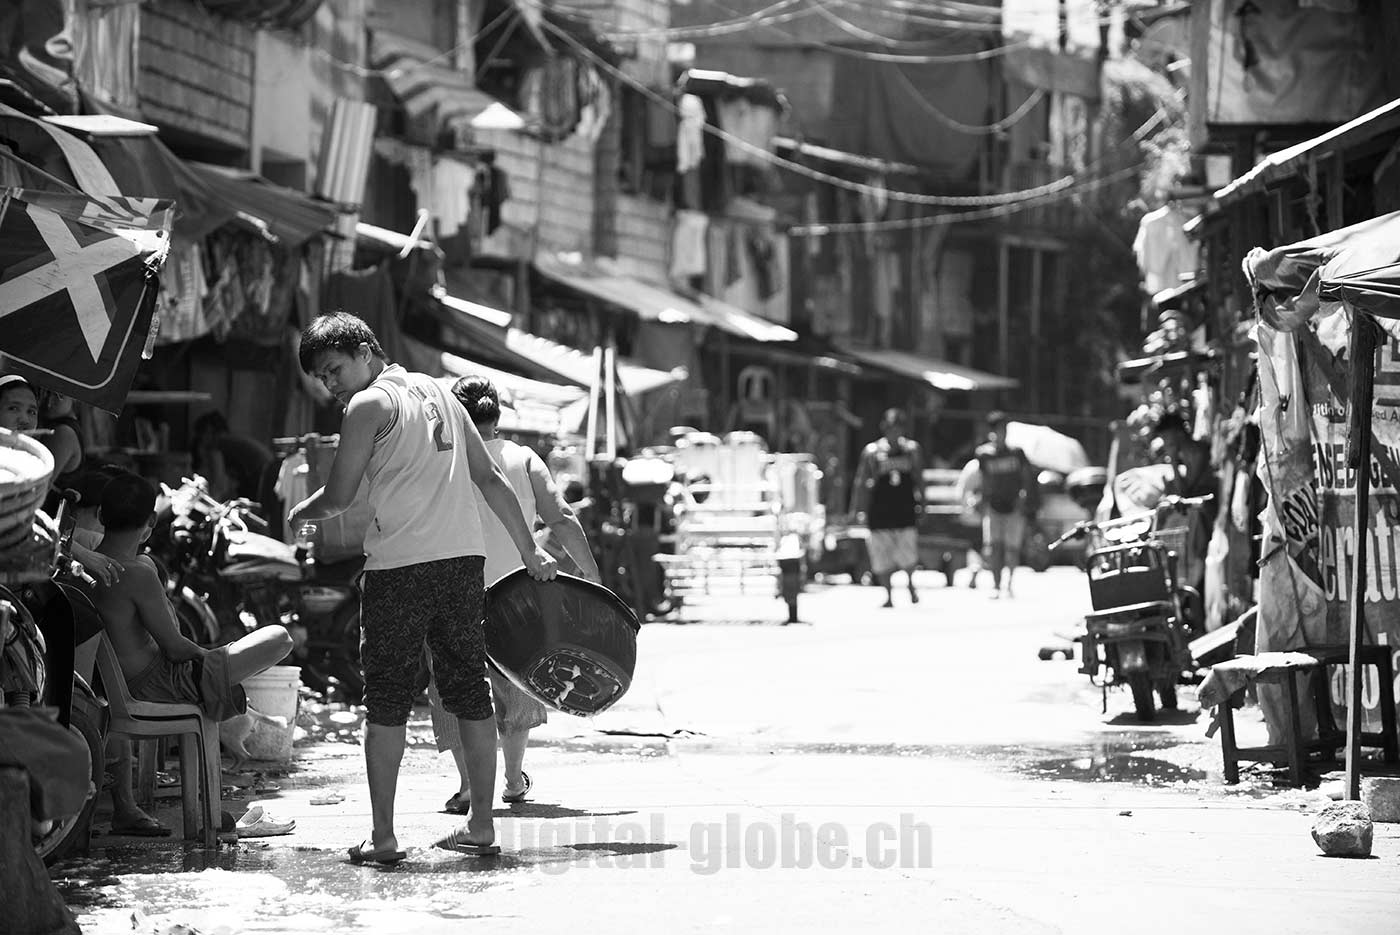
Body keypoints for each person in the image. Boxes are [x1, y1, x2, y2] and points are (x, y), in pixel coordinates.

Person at [286, 312, 557, 865]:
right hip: (462, 565)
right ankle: (481, 826)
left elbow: (337, 498)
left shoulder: (369, 406)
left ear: (366, 350)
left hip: (399, 569)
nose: (331, 386)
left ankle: (383, 838)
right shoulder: (444, 394)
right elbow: (491, 479)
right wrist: (530, 549)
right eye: (322, 379)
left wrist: (299, 513)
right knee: (469, 694)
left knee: (385, 702)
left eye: (334, 370)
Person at [430, 376, 602, 813]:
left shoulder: (443, 459)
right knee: (517, 680)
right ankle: (510, 778)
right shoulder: (523, 459)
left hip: (455, 585)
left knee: (454, 682)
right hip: (517, 591)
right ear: (497, 416)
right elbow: (561, 517)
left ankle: (469, 784)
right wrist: (591, 575)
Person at [86, 472, 293, 827]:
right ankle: (208, 810)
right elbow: (176, 647)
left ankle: (208, 803)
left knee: (229, 664)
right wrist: (212, 660)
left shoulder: (87, 563)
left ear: (102, 517)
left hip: (124, 685)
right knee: (279, 637)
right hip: (160, 682)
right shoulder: (136, 571)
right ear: (151, 522)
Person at [851, 408, 925, 608]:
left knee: (908, 554)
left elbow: (919, 478)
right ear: (885, 428)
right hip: (879, 510)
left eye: (898, 428)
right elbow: (861, 481)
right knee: (881, 557)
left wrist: (923, 504)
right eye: (891, 428)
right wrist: (858, 509)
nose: (895, 433)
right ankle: (889, 595)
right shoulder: (872, 452)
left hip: (905, 509)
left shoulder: (911, 450)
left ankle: (910, 584)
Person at [966, 411, 1038, 599]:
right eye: (998, 430)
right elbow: (982, 479)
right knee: (994, 548)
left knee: (1012, 549)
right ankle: (996, 585)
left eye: (1004, 430)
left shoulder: (1017, 453)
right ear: (991, 432)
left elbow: (1027, 479)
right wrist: (979, 499)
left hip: (1014, 507)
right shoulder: (984, 455)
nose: (1001, 434)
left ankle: (1009, 584)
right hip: (993, 507)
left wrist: (1025, 499)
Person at [190, 411, 273, 503]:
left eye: (201, 437)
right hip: (268, 471)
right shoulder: (230, 441)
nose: (201, 442)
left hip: (262, 474)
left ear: (208, 431)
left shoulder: (217, 445)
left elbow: (218, 484)